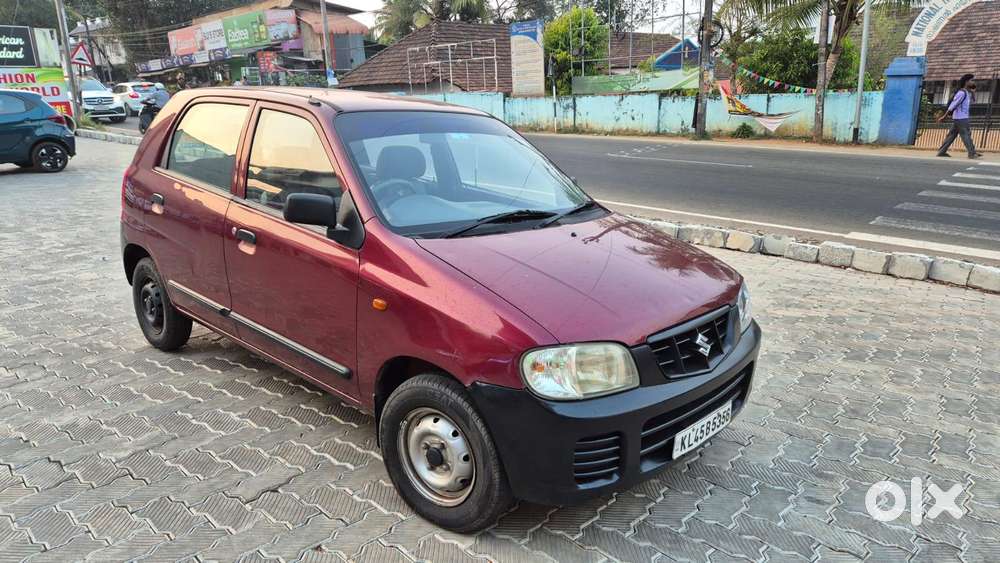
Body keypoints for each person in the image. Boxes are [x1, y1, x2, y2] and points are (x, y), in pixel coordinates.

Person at [936, 73, 982, 159]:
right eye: (971, 80)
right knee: (966, 135)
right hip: (961, 118)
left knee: (951, 135)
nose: (973, 82)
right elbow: (953, 105)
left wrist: (973, 92)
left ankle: (941, 151)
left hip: (959, 118)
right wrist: (944, 116)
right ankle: (972, 153)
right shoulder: (961, 93)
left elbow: (972, 102)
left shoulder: (966, 92)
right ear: (966, 81)